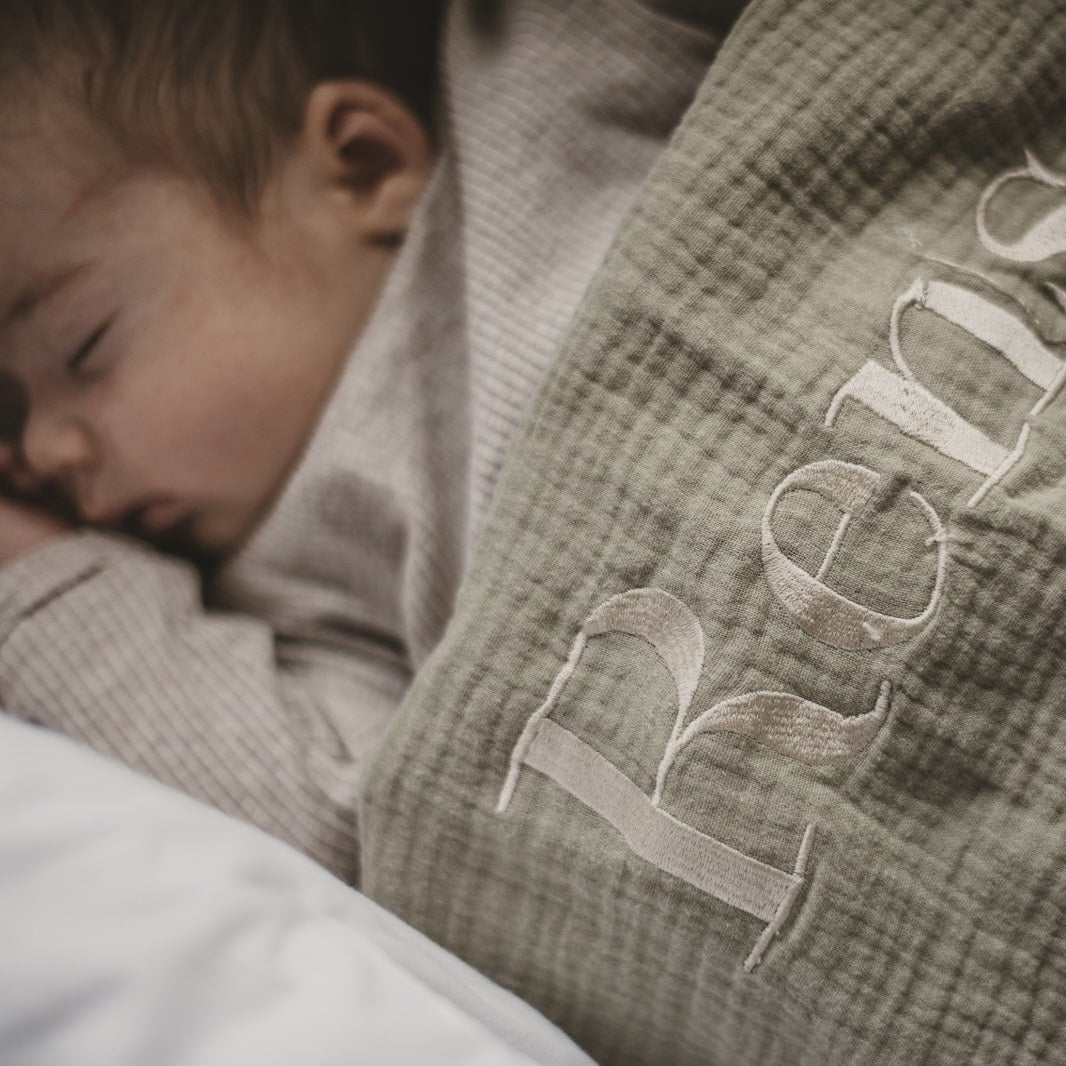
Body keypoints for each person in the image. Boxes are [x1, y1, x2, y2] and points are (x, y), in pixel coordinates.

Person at [0, 0, 726, 883]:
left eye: (81, 346)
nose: (44, 451)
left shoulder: (532, 117)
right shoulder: (291, 596)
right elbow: (336, 832)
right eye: (13, 410)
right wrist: (42, 574)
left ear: (363, 163)